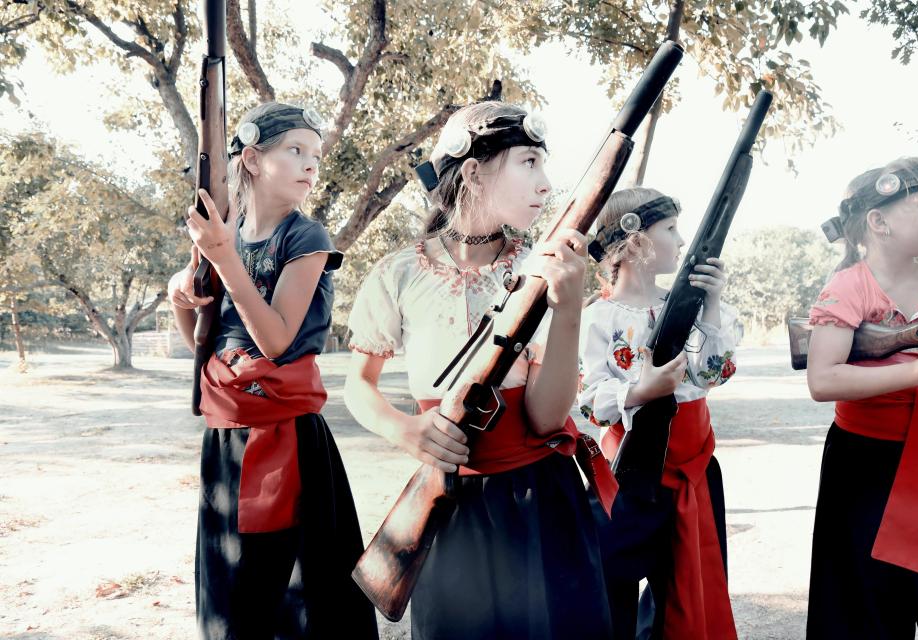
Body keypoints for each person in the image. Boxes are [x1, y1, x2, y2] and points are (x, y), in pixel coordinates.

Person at [344, 101, 613, 639]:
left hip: (542, 504)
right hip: (450, 507)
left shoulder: (542, 269)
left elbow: (545, 418)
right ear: (473, 169)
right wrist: (407, 430)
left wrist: (568, 309)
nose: (545, 184)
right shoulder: (397, 273)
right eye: (529, 162)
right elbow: (358, 386)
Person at [167, 101, 377, 639]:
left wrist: (223, 259)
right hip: (228, 436)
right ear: (255, 160)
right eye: (296, 150)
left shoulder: (306, 238)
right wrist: (181, 296)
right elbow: (198, 339)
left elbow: (277, 338)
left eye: (316, 155)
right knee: (235, 585)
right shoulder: (224, 237)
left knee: (301, 592)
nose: (311, 164)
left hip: (289, 438)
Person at [805, 157, 918, 639]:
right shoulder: (849, 287)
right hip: (864, 464)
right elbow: (823, 381)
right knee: (862, 606)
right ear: (879, 222)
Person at [578, 187, 739, 640]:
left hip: (695, 470)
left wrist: (708, 302)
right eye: (669, 229)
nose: (682, 240)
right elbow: (590, 399)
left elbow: (714, 373)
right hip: (628, 476)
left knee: (688, 598)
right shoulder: (598, 318)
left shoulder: (689, 307)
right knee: (614, 591)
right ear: (634, 241)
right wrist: (640, 389)